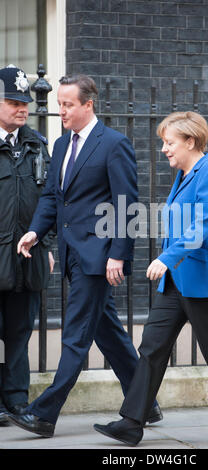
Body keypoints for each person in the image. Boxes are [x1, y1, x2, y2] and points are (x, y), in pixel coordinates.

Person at [93, 111, 208, 448]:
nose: (165, 149)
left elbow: (202, 225)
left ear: (190, 142)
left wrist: (166, 259)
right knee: (152, 346)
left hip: (205, 284)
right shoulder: (185, 174)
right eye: (164, 143)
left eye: (169, 143)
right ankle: (131, 422)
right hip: (177, 284)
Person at [8, 74, 161, 437]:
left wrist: (118, 255)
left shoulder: (113, 144)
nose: (60, 110)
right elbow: (52, 198)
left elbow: (126, 205)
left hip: (99, 256)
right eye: (59, 103)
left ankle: (44, 414)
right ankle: (146, 403)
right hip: (71, 254)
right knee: (108, 334)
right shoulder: (61, 146)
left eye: (67, 104)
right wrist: (35, 231)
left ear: (88, 105)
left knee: (75, 336)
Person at [0, 65, 54, 426]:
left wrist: (47, 245)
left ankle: (17, 399)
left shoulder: (37, 145)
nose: (22, 108)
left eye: (25, 103)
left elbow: (50, 200)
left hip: (28, 254)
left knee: (21, 329)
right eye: (13, 101)